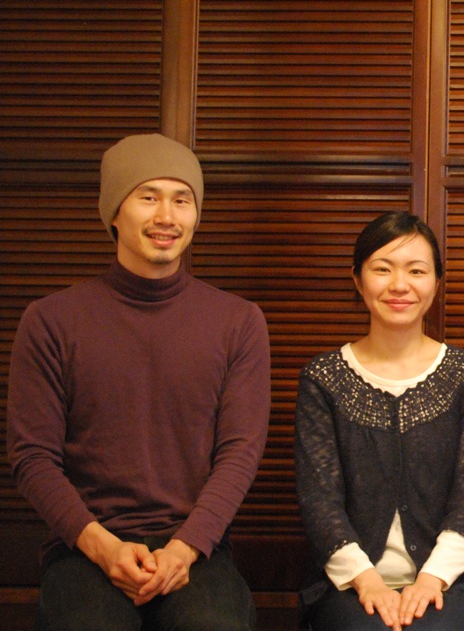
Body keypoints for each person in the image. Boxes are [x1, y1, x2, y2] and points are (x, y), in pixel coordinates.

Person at [6, 133, 271, 630]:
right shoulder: (50, 321)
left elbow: (240, 452)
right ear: (114, 210)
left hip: (197, 546)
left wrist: (185, 548)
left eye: (182, 200)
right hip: (84, 546)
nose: (166, 216)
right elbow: (32, 456)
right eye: (148, 197)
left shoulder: (238, 322)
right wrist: (102, 548)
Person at [295, 212, 464, 631]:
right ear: (358, 280)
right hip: (348, 584)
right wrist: (367, 581)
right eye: (382, 269)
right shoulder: (323, 377)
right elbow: (319, 501)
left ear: (436, 283)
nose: (400, 285)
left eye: (416, 271)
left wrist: (431, 578)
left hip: (447, 580)